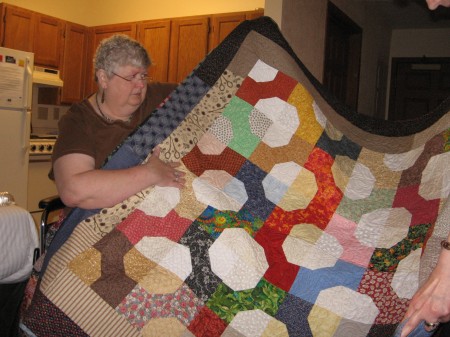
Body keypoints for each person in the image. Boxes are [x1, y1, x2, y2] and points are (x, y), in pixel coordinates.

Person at [52, 34, 185, 210]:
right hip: (102, 223)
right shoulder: (78, 122)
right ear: (104, 78)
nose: (140, 85)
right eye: (132, 77)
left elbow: (213, 94)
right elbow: (74, 190)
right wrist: (150, 173)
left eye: (144, 76)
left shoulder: (161, 97)